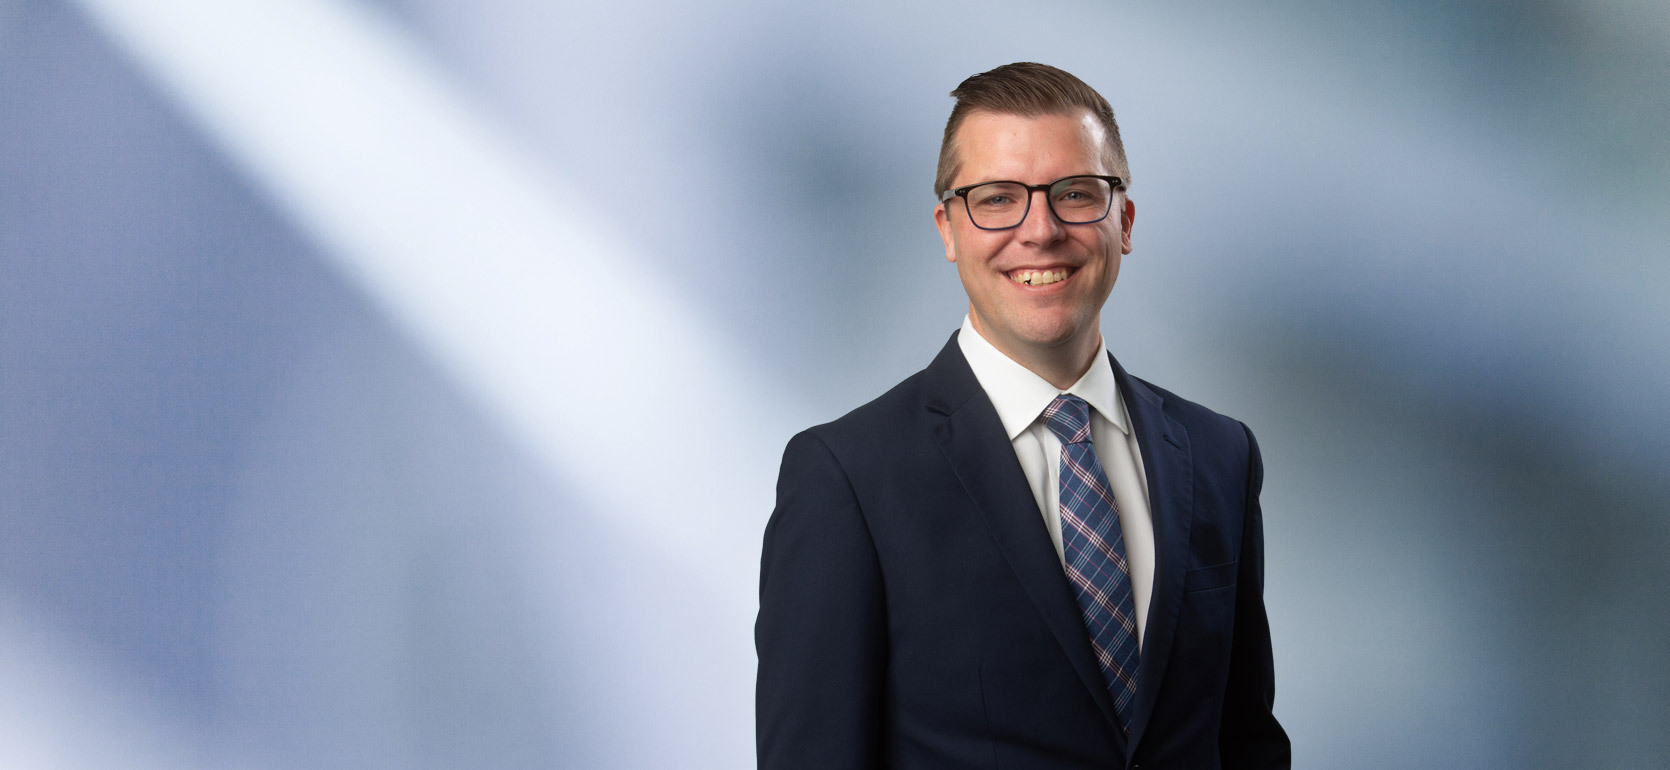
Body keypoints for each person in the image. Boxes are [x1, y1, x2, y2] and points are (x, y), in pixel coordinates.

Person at [756, 62, 1290, 770]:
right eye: (998, 199)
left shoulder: (1220, 456)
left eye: (1076, 194)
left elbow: (1247, 744)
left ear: (1124, 221)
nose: (1040, 230)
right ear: (948, 229)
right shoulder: (848, 480)